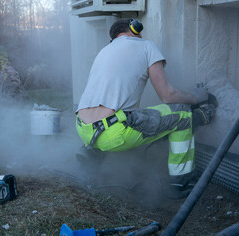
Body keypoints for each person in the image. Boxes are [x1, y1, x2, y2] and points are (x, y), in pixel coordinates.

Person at [75, 18, 216, 199]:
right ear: (135, 29)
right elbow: (168, 95)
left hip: (84, 130)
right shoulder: (146, 46)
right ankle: (180, 180)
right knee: (182, 114)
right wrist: (196, 97)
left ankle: (89, 163)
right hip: (115, 133)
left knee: (136, 115)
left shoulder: (104, 52)